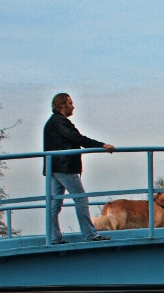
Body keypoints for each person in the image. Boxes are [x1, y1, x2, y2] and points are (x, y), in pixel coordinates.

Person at [43, 93, 115, 243]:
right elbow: (77, 138)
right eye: (70, 103)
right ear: (62, 105)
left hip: (53, 167)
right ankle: (90, 235)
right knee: (81, 198)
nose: (73, 106)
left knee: (54, 204)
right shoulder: (61, 122)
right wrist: (101, 145)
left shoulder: (52, 122)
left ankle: (54, 238)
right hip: (64, 167)